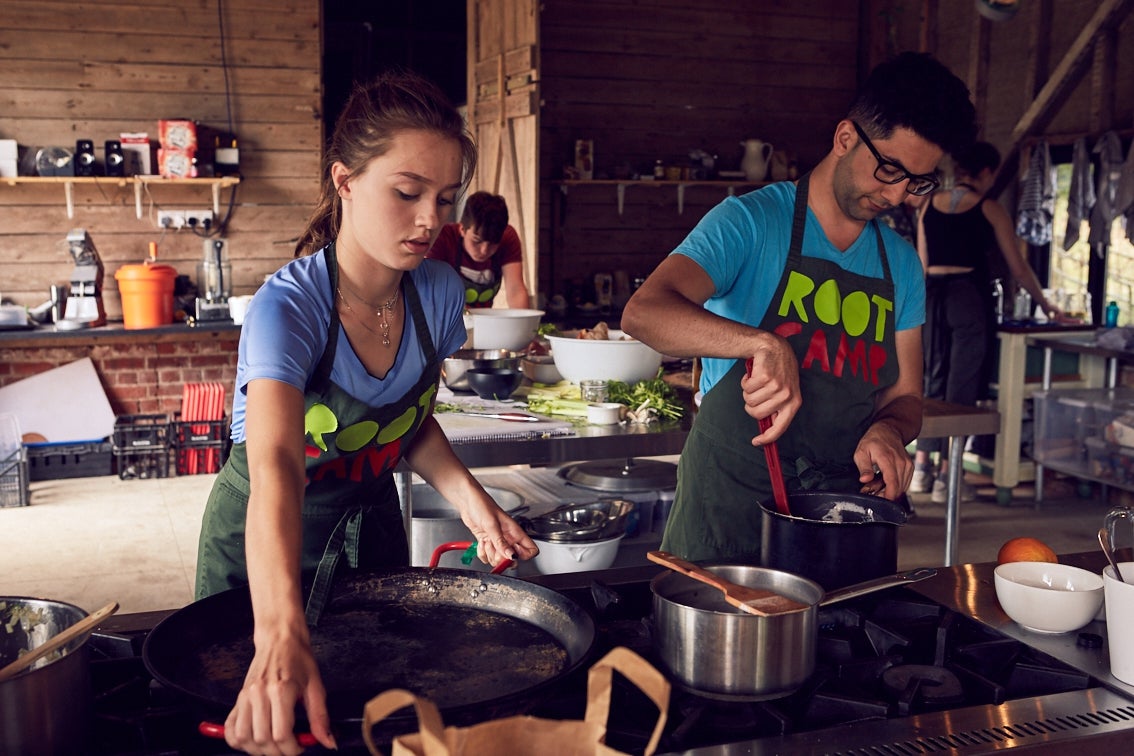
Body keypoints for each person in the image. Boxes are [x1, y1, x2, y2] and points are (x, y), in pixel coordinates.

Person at [194, 71, 538, 754]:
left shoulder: (436, 291)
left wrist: (472, 501)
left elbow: (405, 421)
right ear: (344, 180)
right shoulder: (289, 308)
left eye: (443, 199)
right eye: (406, 193)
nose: (427, 221)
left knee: (373, 718)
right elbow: (274, 468)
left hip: (371, 526)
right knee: (268, 721)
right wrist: (280, 632)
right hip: (266, 541)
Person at [620, 52, 977, 563]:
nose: (897, 194)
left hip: (841, 512)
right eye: (889, 169)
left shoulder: (899, 263)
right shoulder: (749, 222)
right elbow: (644, 311)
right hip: (730, 506)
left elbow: (905, 395)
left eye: (915, 181)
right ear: (846, 137)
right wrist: (761, 344)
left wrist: (890, 429)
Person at [910, 141, 1061, 501]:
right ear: (985, 173)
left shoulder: (927, 205)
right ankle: (949, 477)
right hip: (967, 296)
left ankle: (920, 469)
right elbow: (1019, 267)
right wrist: (1047, 306)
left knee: (931, 377)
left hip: (930, 296)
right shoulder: (990, 208)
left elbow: (919, 261)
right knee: (963, 382)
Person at [427, 190, 531, 308]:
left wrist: (523, 324)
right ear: (462, 229)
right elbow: (432, 291)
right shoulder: (442, 238)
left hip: (482, 320)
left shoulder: (508, 238)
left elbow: (515, 291)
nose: (484, 251)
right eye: (477, 241)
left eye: (493, 244)